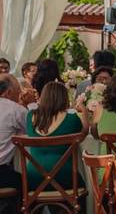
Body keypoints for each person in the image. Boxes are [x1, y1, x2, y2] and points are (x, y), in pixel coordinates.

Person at [25, 82, 87, 191]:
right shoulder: (72, 119)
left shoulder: (30, 116)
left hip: (33, 177)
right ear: (64, 98)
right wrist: (84, 112)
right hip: (65, 177)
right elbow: (83, 134)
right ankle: (70, 208)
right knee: (82, 188)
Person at [0, 75, 27, 205]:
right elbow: (35, 132)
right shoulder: (15, 109)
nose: (20, 94)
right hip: (1, 173)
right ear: (9, 92)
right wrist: (28, 105)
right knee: (30, 181)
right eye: (18, 91)